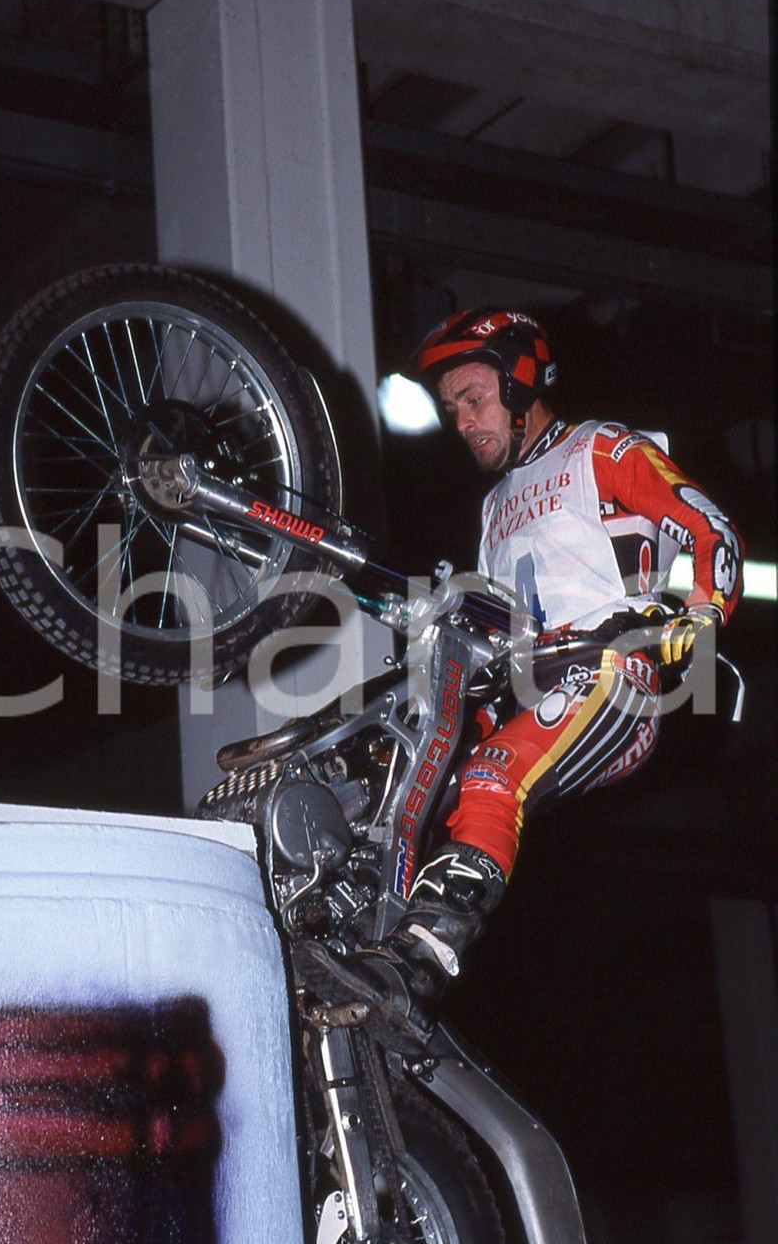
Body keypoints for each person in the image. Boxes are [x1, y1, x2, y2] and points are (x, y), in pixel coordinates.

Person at [297, 308, 743, 1051]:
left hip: (613, 672)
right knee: (401, 773)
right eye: (450, 410)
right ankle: (361, 930)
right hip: (527, 689)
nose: (463, 422)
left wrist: (696, 618)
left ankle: (422, 961)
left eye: (474, 398)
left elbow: (708, 527)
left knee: (493, 779)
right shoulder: (495, 506)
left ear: (521, 380)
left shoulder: (600, 447)